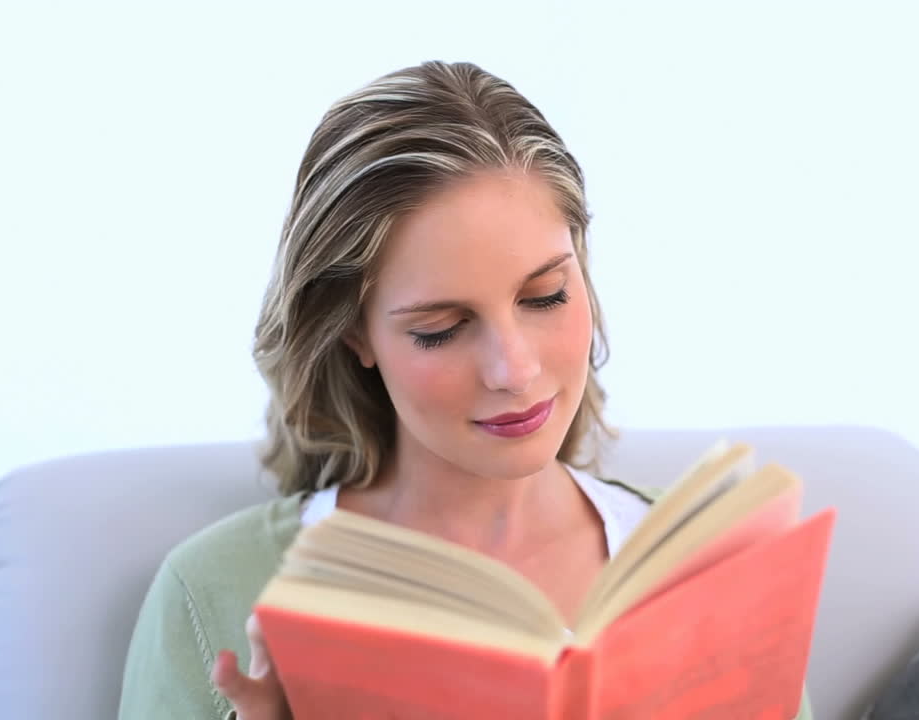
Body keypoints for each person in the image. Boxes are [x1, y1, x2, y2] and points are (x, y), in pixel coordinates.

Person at [117, 60, 812, 720]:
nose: (513, 369)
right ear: (354, 335)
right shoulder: (211, 596)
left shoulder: (716, 565)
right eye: (442, 329)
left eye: (545, 296)